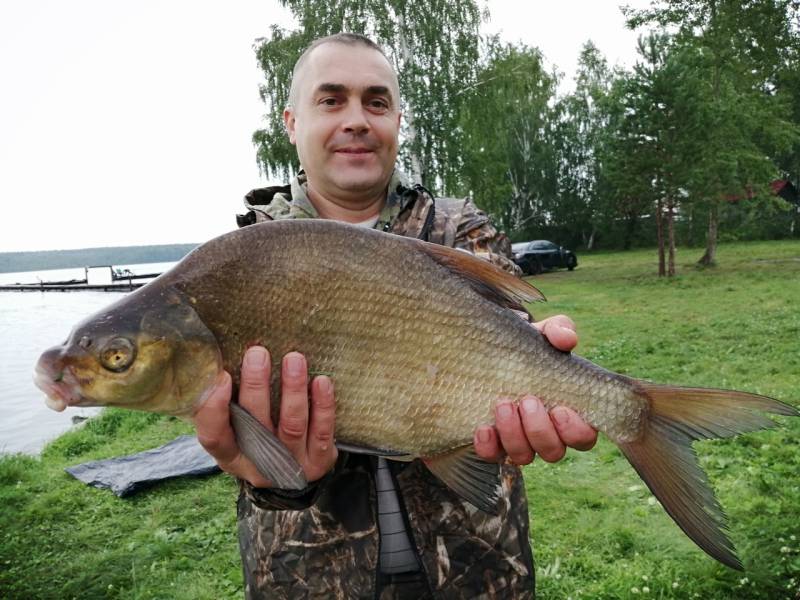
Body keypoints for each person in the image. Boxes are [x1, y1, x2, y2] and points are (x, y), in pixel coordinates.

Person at [193, 33, 597, 599]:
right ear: (291, 121)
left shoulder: (459, 230)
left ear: (397, 120)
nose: (356, 119)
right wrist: (275, 478)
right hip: (306, 577)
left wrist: (552, 377)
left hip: (477, 569)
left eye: (375, 102)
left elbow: (512, 339)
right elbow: (242, 438)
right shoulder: (245, 263)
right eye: (331, 100)